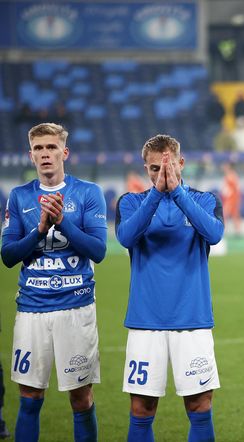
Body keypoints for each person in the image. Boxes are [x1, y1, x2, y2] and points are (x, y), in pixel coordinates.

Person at [1, 122, 107, 441]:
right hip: (32, 310)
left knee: (81, 398)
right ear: (30, 155)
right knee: (30, 398)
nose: (45, 154)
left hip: (76, 309)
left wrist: (62, 222)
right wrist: (38, 231)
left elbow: (98, 251)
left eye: (51, 147)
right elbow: (7, 255)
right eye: (39, 148)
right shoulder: (19, 197)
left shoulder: (89, 193)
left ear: (65, 152)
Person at [115, 134, 224, 442]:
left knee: (200, 405)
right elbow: (125, 238)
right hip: (145, 322)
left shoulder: (204, 199)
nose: (160, 174)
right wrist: (157, 194)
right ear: (145, 168)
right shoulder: (131, 201)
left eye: (168, 166)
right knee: (142, 407)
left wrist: (177, 193)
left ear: (182, 163)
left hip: (192, 319)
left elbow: (214, 234)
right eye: (152, 169)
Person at [221, 163, 242, 235]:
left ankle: (237, 230)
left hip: (232, 199)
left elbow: (235, 188)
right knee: (231, 214)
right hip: (229, 198)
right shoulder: (228, 175)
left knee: (228, 214)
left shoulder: (232, 175)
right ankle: (237, 230)